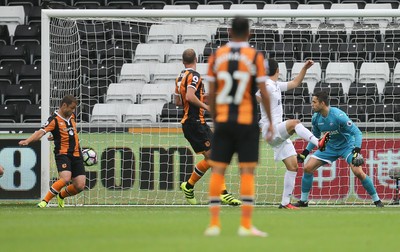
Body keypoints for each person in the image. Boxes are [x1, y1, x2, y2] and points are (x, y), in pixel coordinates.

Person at [204, 16, 274, 237]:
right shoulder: (255, 56)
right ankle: (245, 225)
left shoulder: (216, 56)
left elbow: (212, 93)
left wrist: (217, 118)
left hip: (223, 120)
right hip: (246, 121)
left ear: (228, 32)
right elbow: (263, 90)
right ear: (249, 33)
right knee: (247, 171)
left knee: (218, 169)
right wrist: (271, 121)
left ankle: (214, 224)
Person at [256, 59, 329, 210]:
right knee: (295, 123)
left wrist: (304, 69)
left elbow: (295, 83)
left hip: (277, 133)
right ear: (278, 70)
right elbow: (257, 96)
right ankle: (318, 142)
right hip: (272, 129)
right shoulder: (268, 85)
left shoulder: (275, 85)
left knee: (293, 166)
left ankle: (285, 203)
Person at [294, 90, 384, 208]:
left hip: (347, 146)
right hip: (329, 147)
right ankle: (303, 201)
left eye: (314, 102)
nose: (312, 104)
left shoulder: (338, 116)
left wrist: (356, 152)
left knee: (358, 172)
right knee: (308, 168)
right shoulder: (316, 118)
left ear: (322, 103)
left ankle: (377, 201)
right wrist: (305, 153)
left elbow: (357, 133)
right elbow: (315, 137)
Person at [175, 48, 241, 206]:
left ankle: (188, 186)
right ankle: (223, 193)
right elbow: (190, 96)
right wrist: (206, 107)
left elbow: (178, 101)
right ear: (196, 59)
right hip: (194, 123)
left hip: (195, 123)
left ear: (183, 61)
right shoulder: (194, 76)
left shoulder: (180, 77)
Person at [19, 95, 86, 208]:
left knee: (80, 186)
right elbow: (40, 132)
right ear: (64, 105)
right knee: (65, 178)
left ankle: (61, 196)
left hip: (76, 153)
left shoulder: (72, 116)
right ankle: (45, 201)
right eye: (72, 108)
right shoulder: (53, 119)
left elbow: (69, 133)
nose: (73, 111)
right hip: (63, 154)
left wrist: (56, 136)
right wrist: (28, 141)